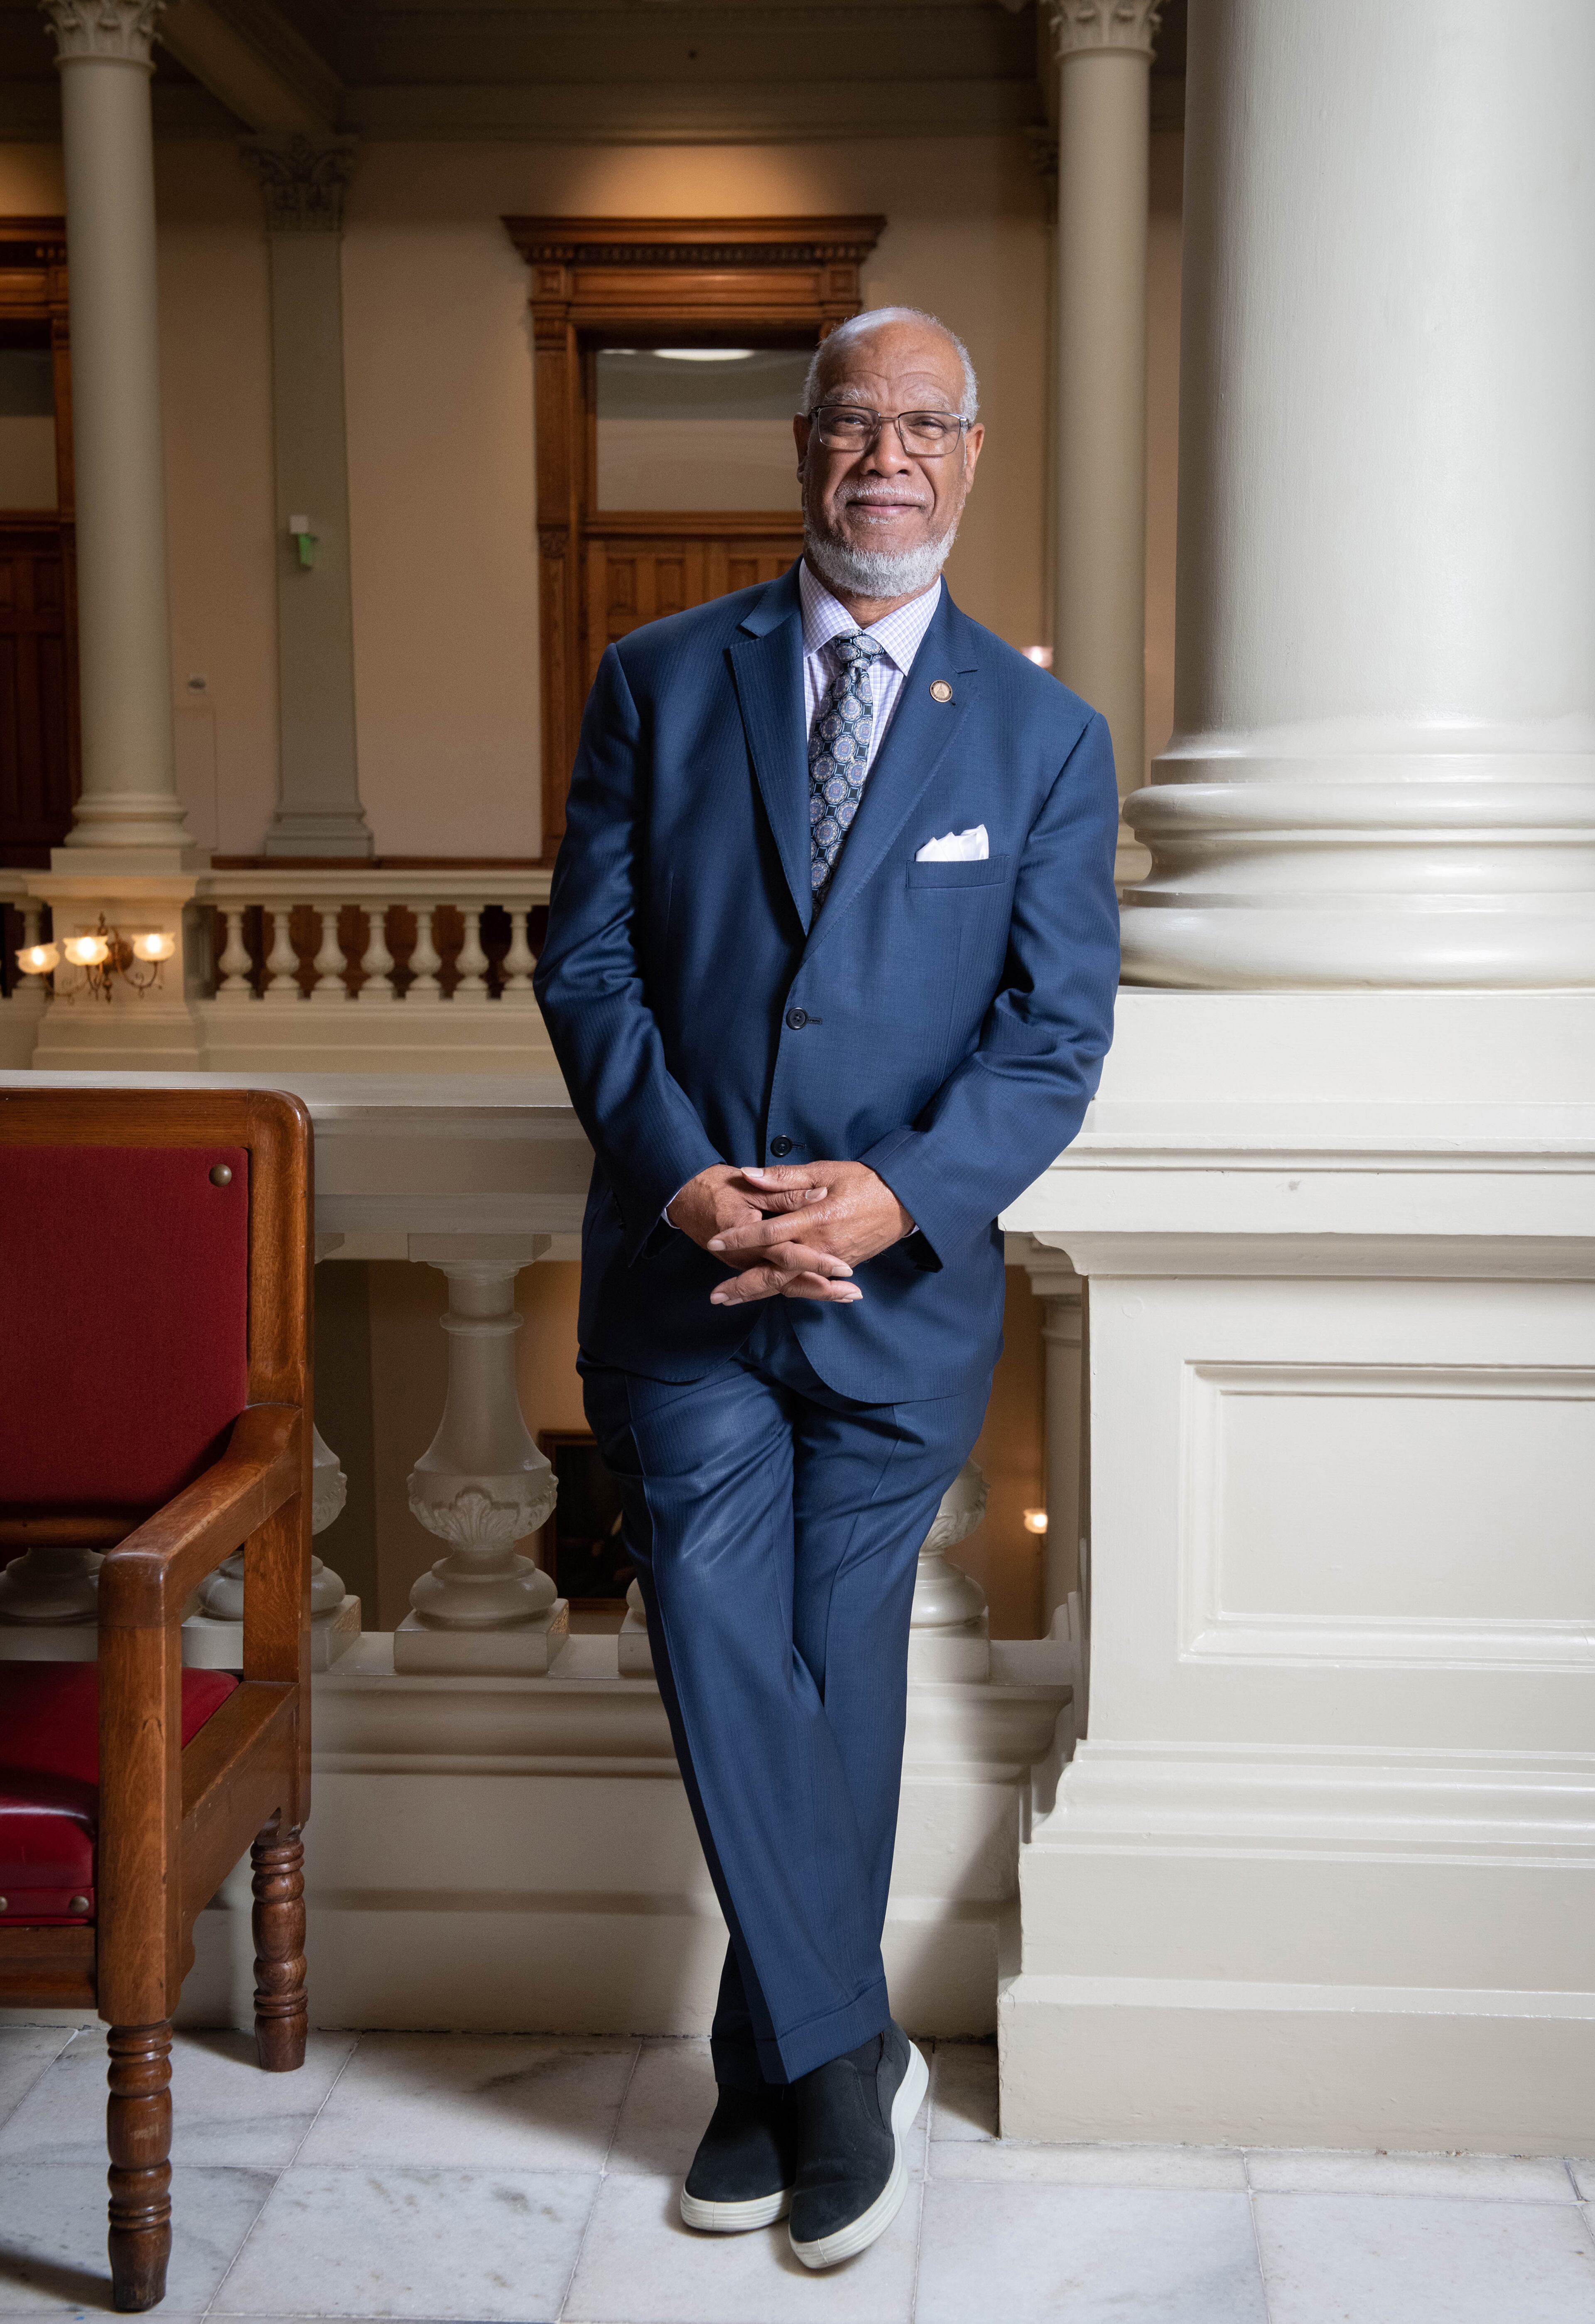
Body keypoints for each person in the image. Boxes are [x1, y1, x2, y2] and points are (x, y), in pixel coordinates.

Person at [534, 305, 1119, 2268]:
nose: (887, 456)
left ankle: (759, 2061)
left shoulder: (1042, 738)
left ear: (973, 453)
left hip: (898, 1298)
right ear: (802, 446)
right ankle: (845, 2053)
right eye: (853, 421)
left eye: (924, 424)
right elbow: (588, 963)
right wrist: (695, 1183)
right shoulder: (654, 679)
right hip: (684, 1277)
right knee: (716, 1625)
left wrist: (891, 1199)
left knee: (840, 1658)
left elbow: (1053, 1038)